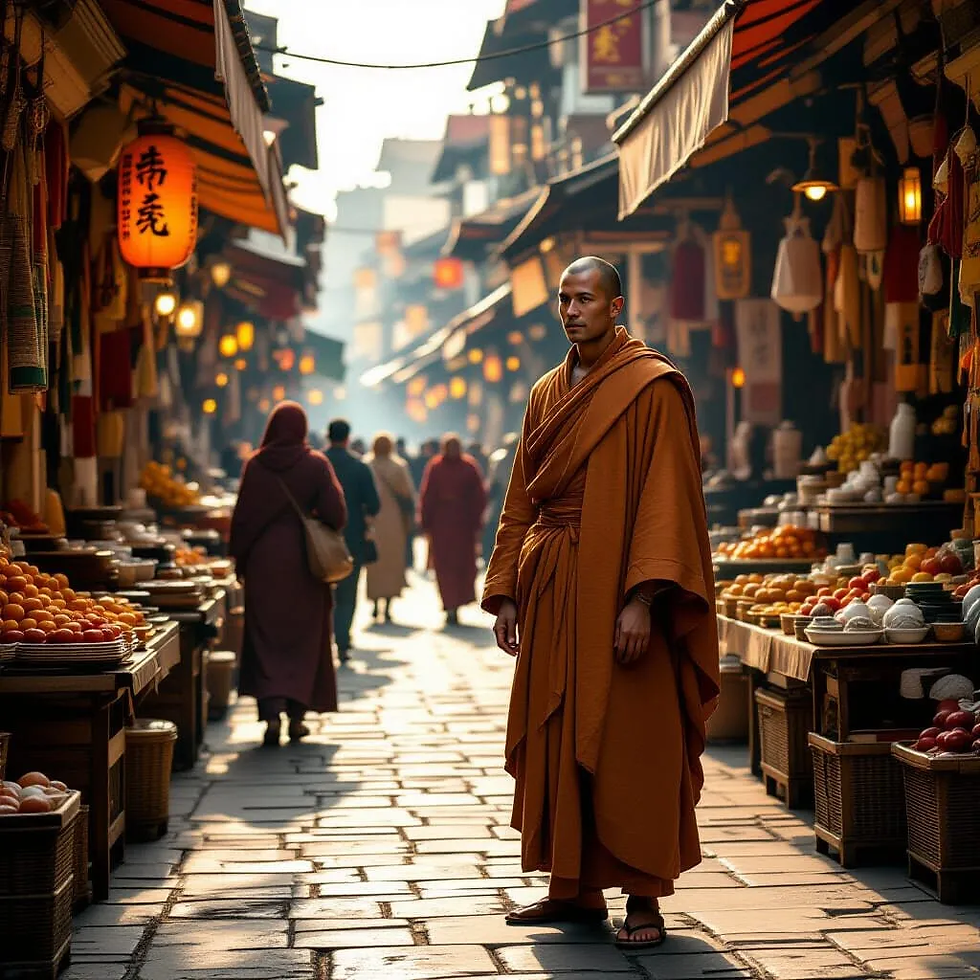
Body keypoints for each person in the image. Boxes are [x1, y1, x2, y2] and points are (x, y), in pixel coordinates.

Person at [482, 256, 719, 949]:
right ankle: (575, 889)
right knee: (557, 733)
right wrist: (506, 593)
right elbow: (520, 497)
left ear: (616, 307)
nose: (571, 310)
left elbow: (667, 499)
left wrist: (644, 598)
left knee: (632, 739)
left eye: (585, 298)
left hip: (620, 587)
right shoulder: (544, 392)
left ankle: (644, 898)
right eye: (564, 299)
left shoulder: (652, 387)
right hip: (553, 588)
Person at [229, 402, 347, 746]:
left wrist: (239, 559)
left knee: (266, 637)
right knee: (303, 638)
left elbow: (243, 517)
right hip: (304, 563)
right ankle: (297, 717)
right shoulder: (316, 464)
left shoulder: (255, 465)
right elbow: (336, 515)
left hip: (263, 563)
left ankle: (270, 716)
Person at [325, 419, 380, 662]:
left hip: (320, 539)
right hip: (352, 538)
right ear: (347, 438)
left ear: (328, 436)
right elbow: (375, 504)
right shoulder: (358, 467)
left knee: (323, 592)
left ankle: (323, 640)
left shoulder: (318, 463)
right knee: (348, 591)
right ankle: (343, 642)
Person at [418, 434, 486, 626]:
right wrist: (425, 520)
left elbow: (478, 496)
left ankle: (454, 604)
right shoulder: (438, 466)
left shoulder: (466, 466)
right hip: (449, 522)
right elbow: (428, 495)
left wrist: (425, 521)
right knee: (445, 565)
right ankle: (450, 605)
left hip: (455, 522)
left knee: (459, 565)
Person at [364, 433, 415, 623]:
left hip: (374, 520)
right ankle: (387, 606)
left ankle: (375, 603)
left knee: (375, 564)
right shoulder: (398, 467)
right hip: (394, 521)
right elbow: (408, 494)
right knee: (392, 562)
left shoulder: (367, 465)